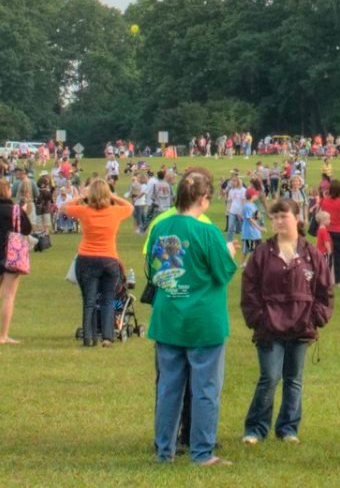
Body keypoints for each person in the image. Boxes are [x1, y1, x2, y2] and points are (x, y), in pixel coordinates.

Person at [147, 169, 238, 466]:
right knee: (205, 389)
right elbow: (223, 271)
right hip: (202, 320)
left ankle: (164, 451)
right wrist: (230, 252)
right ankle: (201, 452)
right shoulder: (207, 231)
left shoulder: (160, 227)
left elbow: (154, 271)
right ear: (203, 199)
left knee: (169, 387)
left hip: (168, 316)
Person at [239, 197, 334, 445]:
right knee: (269, 377)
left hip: (301, 326)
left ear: (297, 218)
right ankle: (256, 428)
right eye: (275, 217)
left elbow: (325, 290)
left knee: (293, 379)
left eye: (284, 216)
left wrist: (316, 317)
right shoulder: (262, 253)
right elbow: (249, 289)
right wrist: (258, 318)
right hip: (269, 327)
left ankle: (288, 428)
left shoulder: (311, 254)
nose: (280, 221)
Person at [64, 176, 134, 347]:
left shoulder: (84, 211)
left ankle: (89, 337)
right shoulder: (114, 212)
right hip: (109, 258)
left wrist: (82, 196)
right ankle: (107, 337)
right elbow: (130, 207)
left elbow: (64, 207)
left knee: (89, 300)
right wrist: (112, 195)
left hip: (86, 258)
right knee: (108, 299)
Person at [0, 179, 33, 344]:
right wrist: (22, 212)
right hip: (12, 254)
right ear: (7, 191)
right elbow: (26, 229)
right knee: (8, 296)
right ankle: (3, 335)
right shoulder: (14, 210)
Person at [315, 177, 340, 285]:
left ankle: (325, 279)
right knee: (338, 258)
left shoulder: (325, 201)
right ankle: (338, 281)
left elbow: (320, 214)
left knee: (327, 256)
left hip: (327, 231)